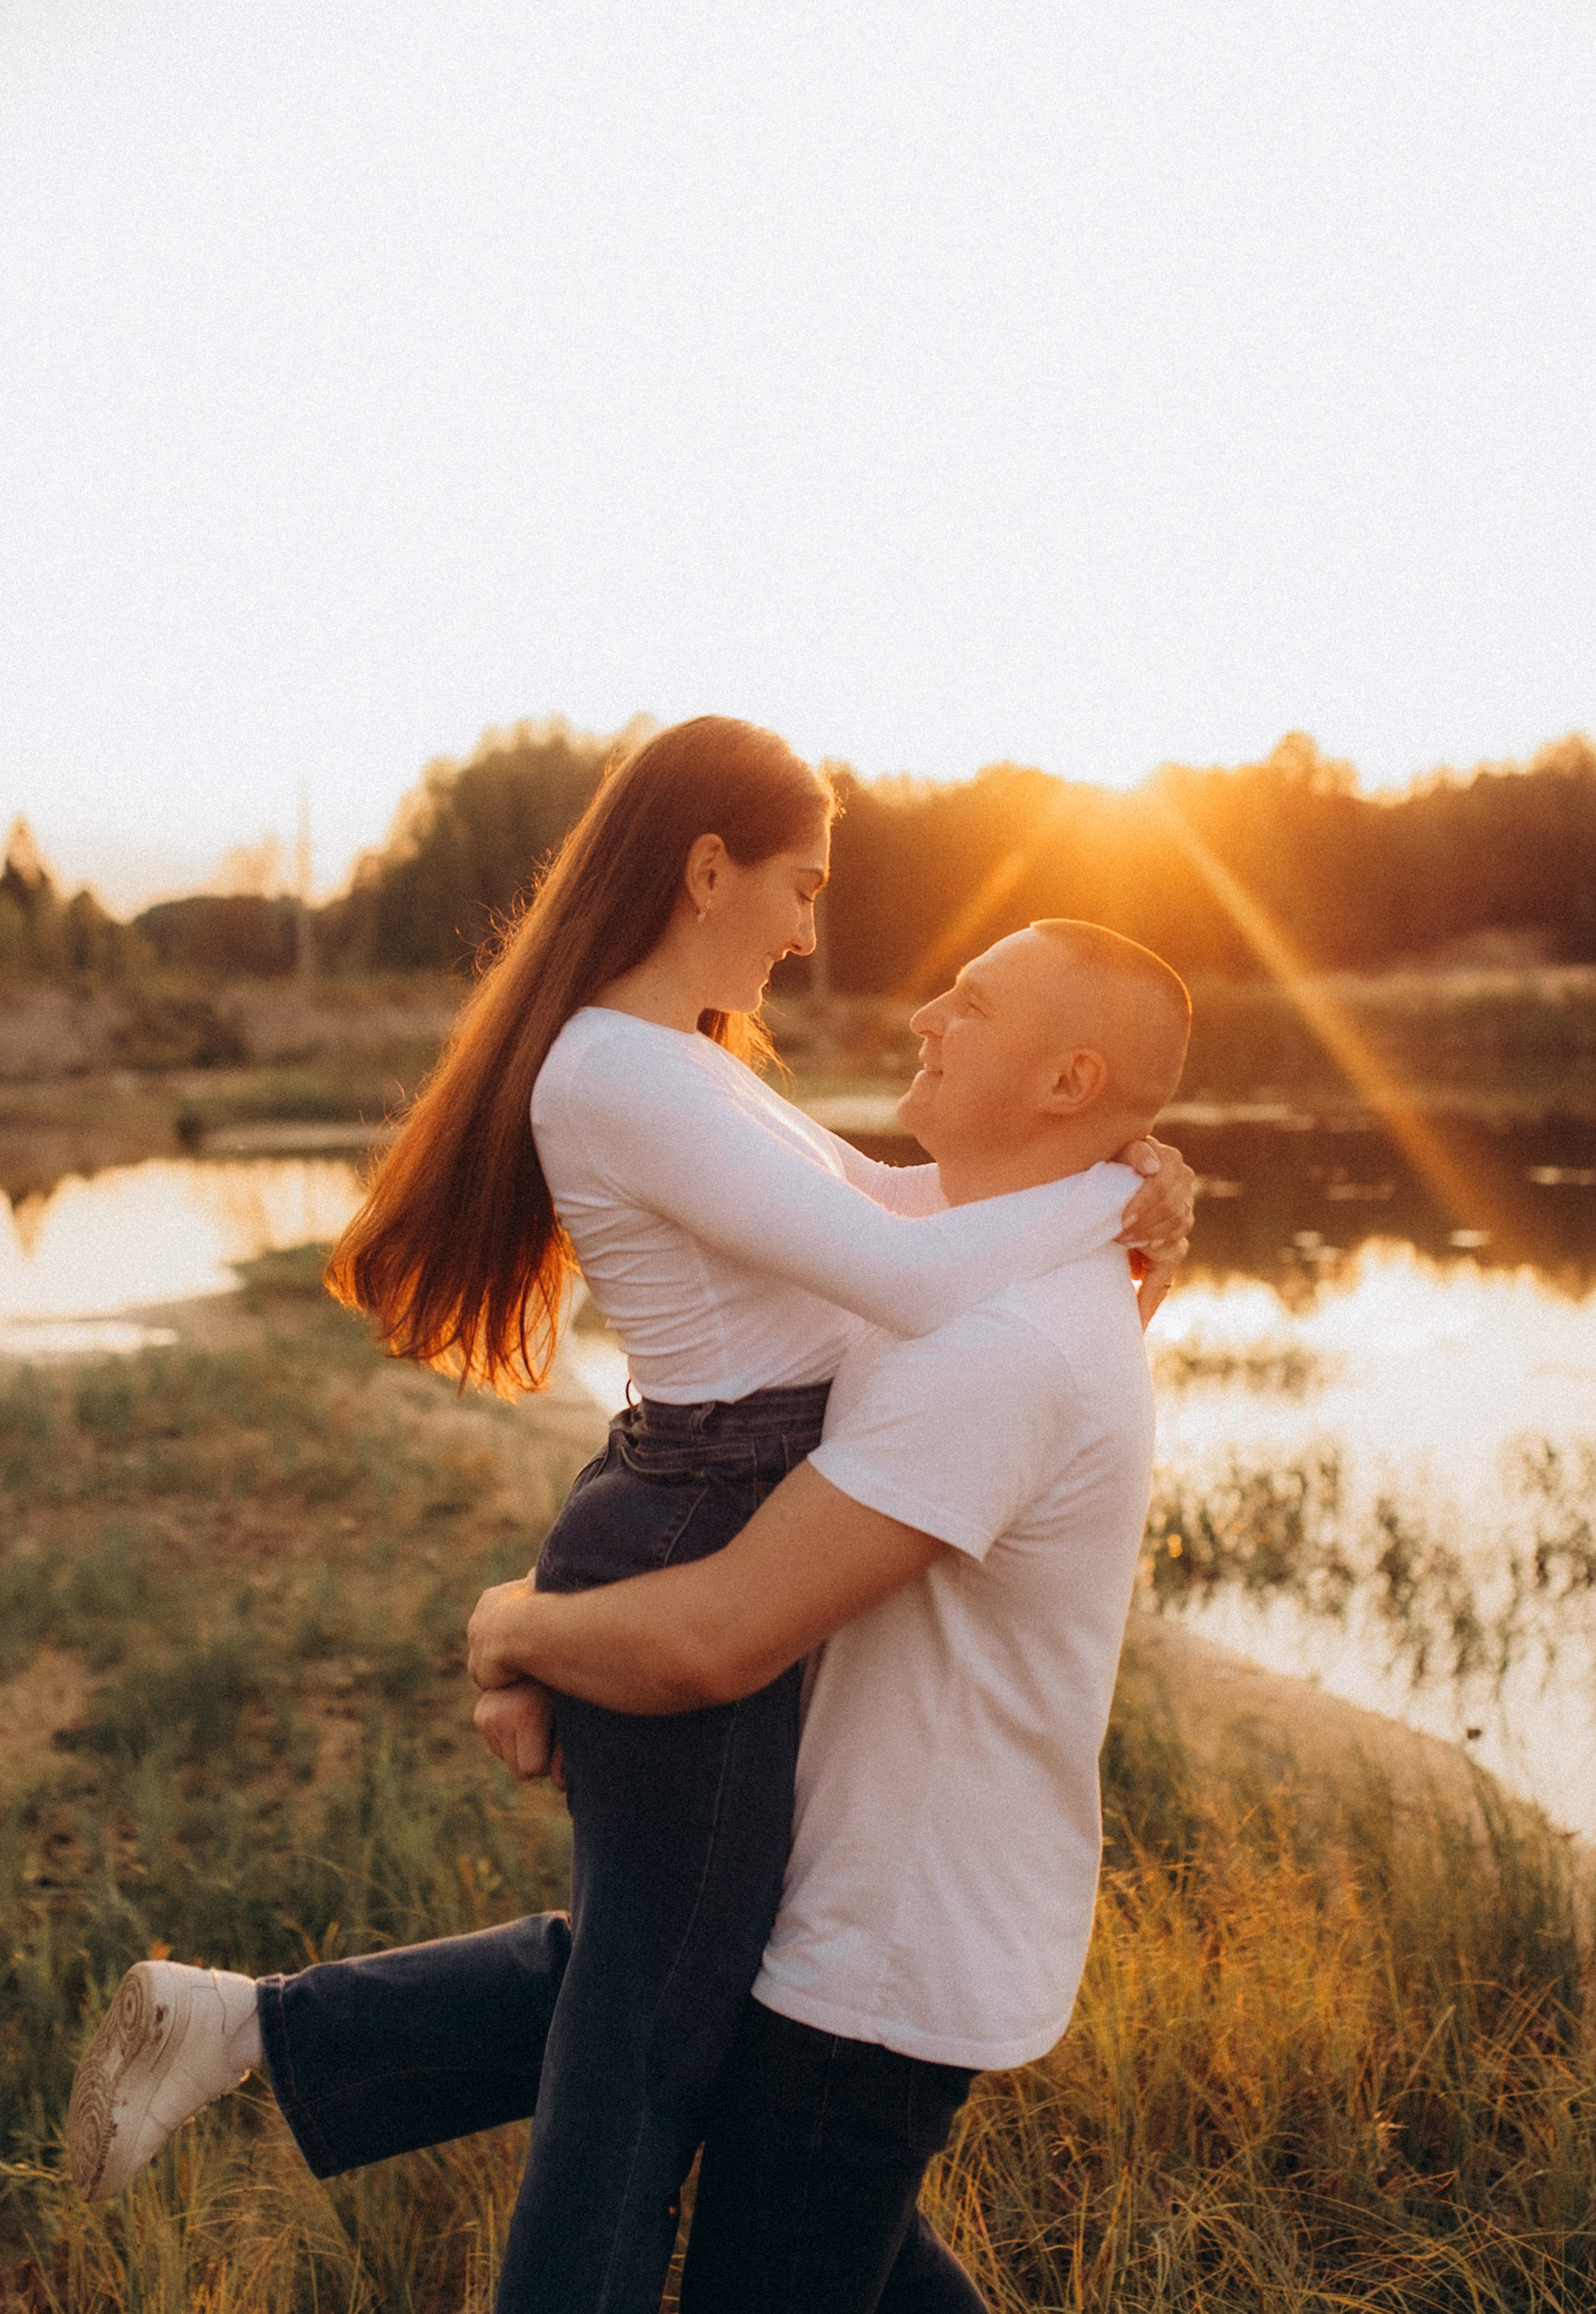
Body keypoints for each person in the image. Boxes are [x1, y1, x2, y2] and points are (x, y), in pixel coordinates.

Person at [67, 719, 1193, 2314]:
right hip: (702, 1519)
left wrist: (1123, 1193)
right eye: (799, 883)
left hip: (705, 1508)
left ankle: (247, 2027)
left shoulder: (684, 1063)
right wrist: (1102, 1197)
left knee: (659, 1989)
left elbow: (888, 1212)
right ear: (706, 865)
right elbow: (893, 1274)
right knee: (646, 2047)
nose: (814, 932)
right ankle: (250, 2032)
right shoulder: (619, 1065)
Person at [465, 918, 1191, 2311]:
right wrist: (1129, 1184)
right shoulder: (956, 1278)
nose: (922, 1012)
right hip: (854, 1911)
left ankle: (267, 2032)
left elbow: (719, 1636)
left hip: (876, 1962)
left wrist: (512, 1633)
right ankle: (268, 2031)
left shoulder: (998, 1346)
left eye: (968, 1003)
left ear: (1063, 1081)